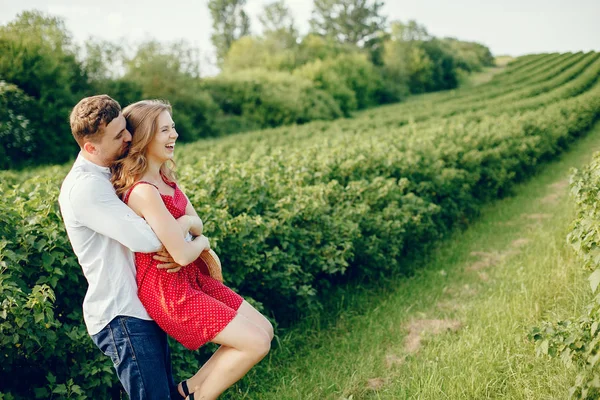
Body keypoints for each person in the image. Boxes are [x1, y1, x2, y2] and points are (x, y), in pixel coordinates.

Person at [111, 99, 273, 400]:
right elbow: (185, 254)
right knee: (255, 343)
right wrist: (197, 240)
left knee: (264, 330)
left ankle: (185, 390)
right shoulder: (143, 191)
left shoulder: (164, 180)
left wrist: (188, 228)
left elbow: (196, 223)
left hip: (190, 280)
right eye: (164, 130)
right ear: (145, 137)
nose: (174, 135)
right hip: (169, 292)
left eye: (173, 128)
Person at [58, 95, 184, 399]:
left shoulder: (113, 172)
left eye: (125, 128)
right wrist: (183, 232)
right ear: (90, 148)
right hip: (121, 315)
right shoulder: (87, 188)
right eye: (118, 135)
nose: (129, 137)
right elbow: (150, 239)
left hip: (140, 306)